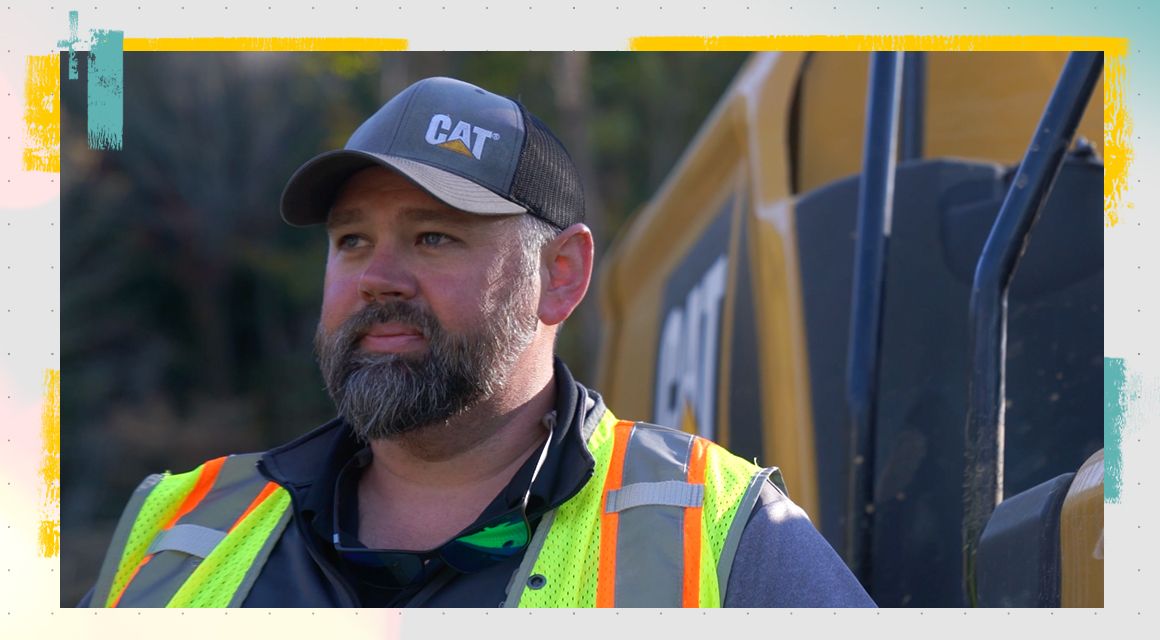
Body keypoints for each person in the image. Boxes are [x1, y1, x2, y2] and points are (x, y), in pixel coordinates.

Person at [80, 76, 874, 608]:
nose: (377, 278)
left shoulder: (717, 530)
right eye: (352, 240)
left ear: (560, 275)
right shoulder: (174, 528)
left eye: (433, 237)